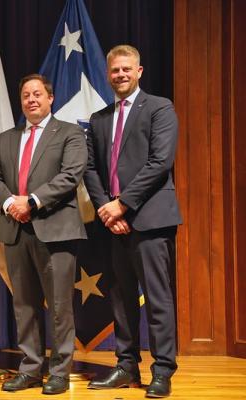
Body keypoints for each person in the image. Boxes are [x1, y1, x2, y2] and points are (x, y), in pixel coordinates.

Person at [83, 45, 181, 398]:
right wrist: (107, 211)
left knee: (157, 298)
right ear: (107, 75)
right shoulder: (98, 119)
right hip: (113, 222)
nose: (121, 75)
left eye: (127, 69)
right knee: (121, 299)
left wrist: (122, 205)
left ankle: (162, 370)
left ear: (139, 71)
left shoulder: (160, 108)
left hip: (151, 220)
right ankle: (125, 366)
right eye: (115, 70)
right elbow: (90, 169)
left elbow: (160, 162)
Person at [0, 74, 87, 395]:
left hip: (56, 230)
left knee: (59, 306)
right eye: (26, 95)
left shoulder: (70, 133)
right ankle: (30, 368)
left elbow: (71, 175)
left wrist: (31, 201)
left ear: (50, 98)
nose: (31, 99)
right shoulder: (6, 138)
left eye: (37, 94)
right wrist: (9, 203)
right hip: (16, 230)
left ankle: (59, 371)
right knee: (25, 305)